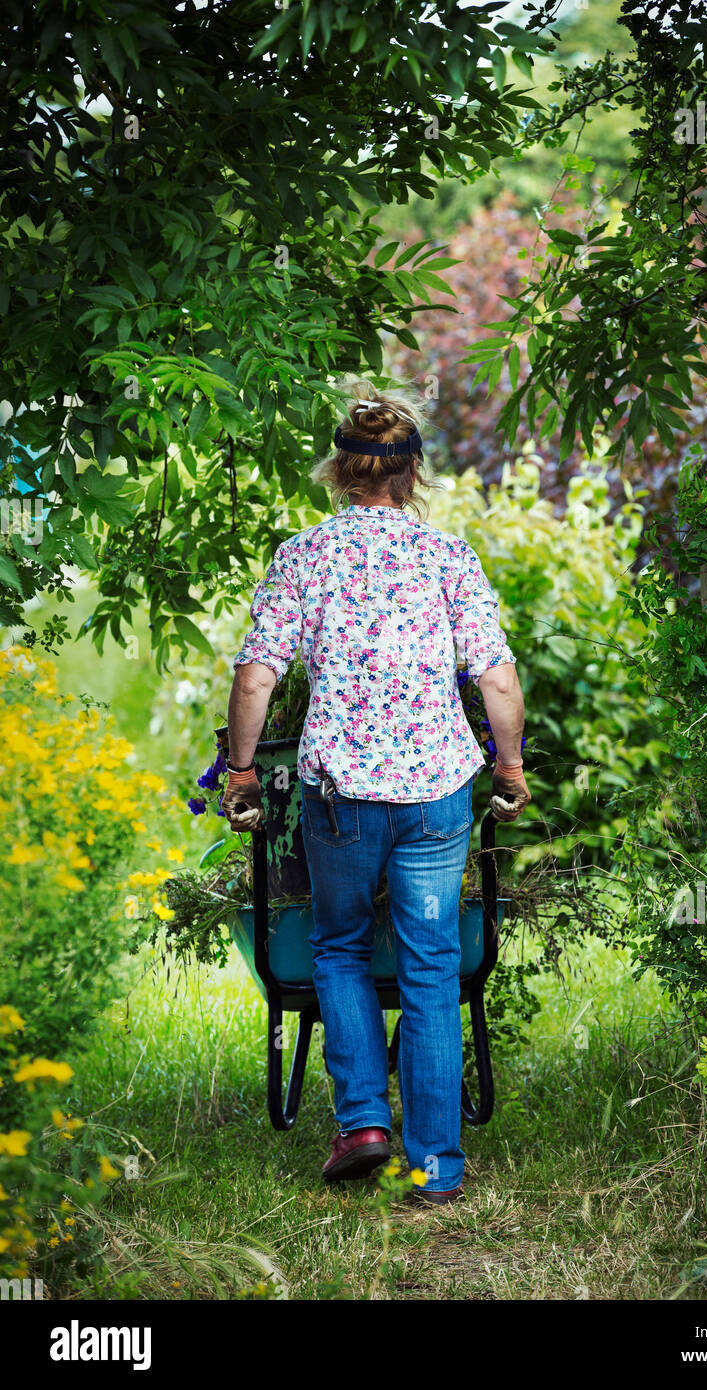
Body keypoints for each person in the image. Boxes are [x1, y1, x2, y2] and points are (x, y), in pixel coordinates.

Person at [223, 380, 530, 1206]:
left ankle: (363, 1122)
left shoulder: (305, 554)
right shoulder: (446, 556)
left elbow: (257, 677)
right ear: (413, 471)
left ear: (339, 470)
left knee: (340, 946)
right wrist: (508, 768)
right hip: (436, 796)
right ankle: (435, 1166)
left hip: (341, 799)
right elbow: (496, 680)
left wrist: (244, 772)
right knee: (431, 969)